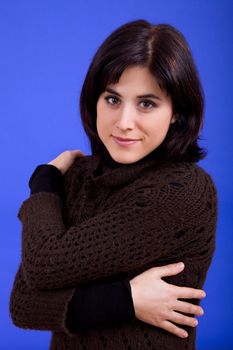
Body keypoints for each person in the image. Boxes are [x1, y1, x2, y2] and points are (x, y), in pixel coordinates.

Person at [9, 19, 218, 350]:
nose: (123, 123)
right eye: (112, 99)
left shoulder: (183, 192)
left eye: (146, 103)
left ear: (177, 112)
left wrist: (44, 181)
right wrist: (127, 300)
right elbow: (23, 305)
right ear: (94, 100)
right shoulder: (78, 177)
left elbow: (45, 263)